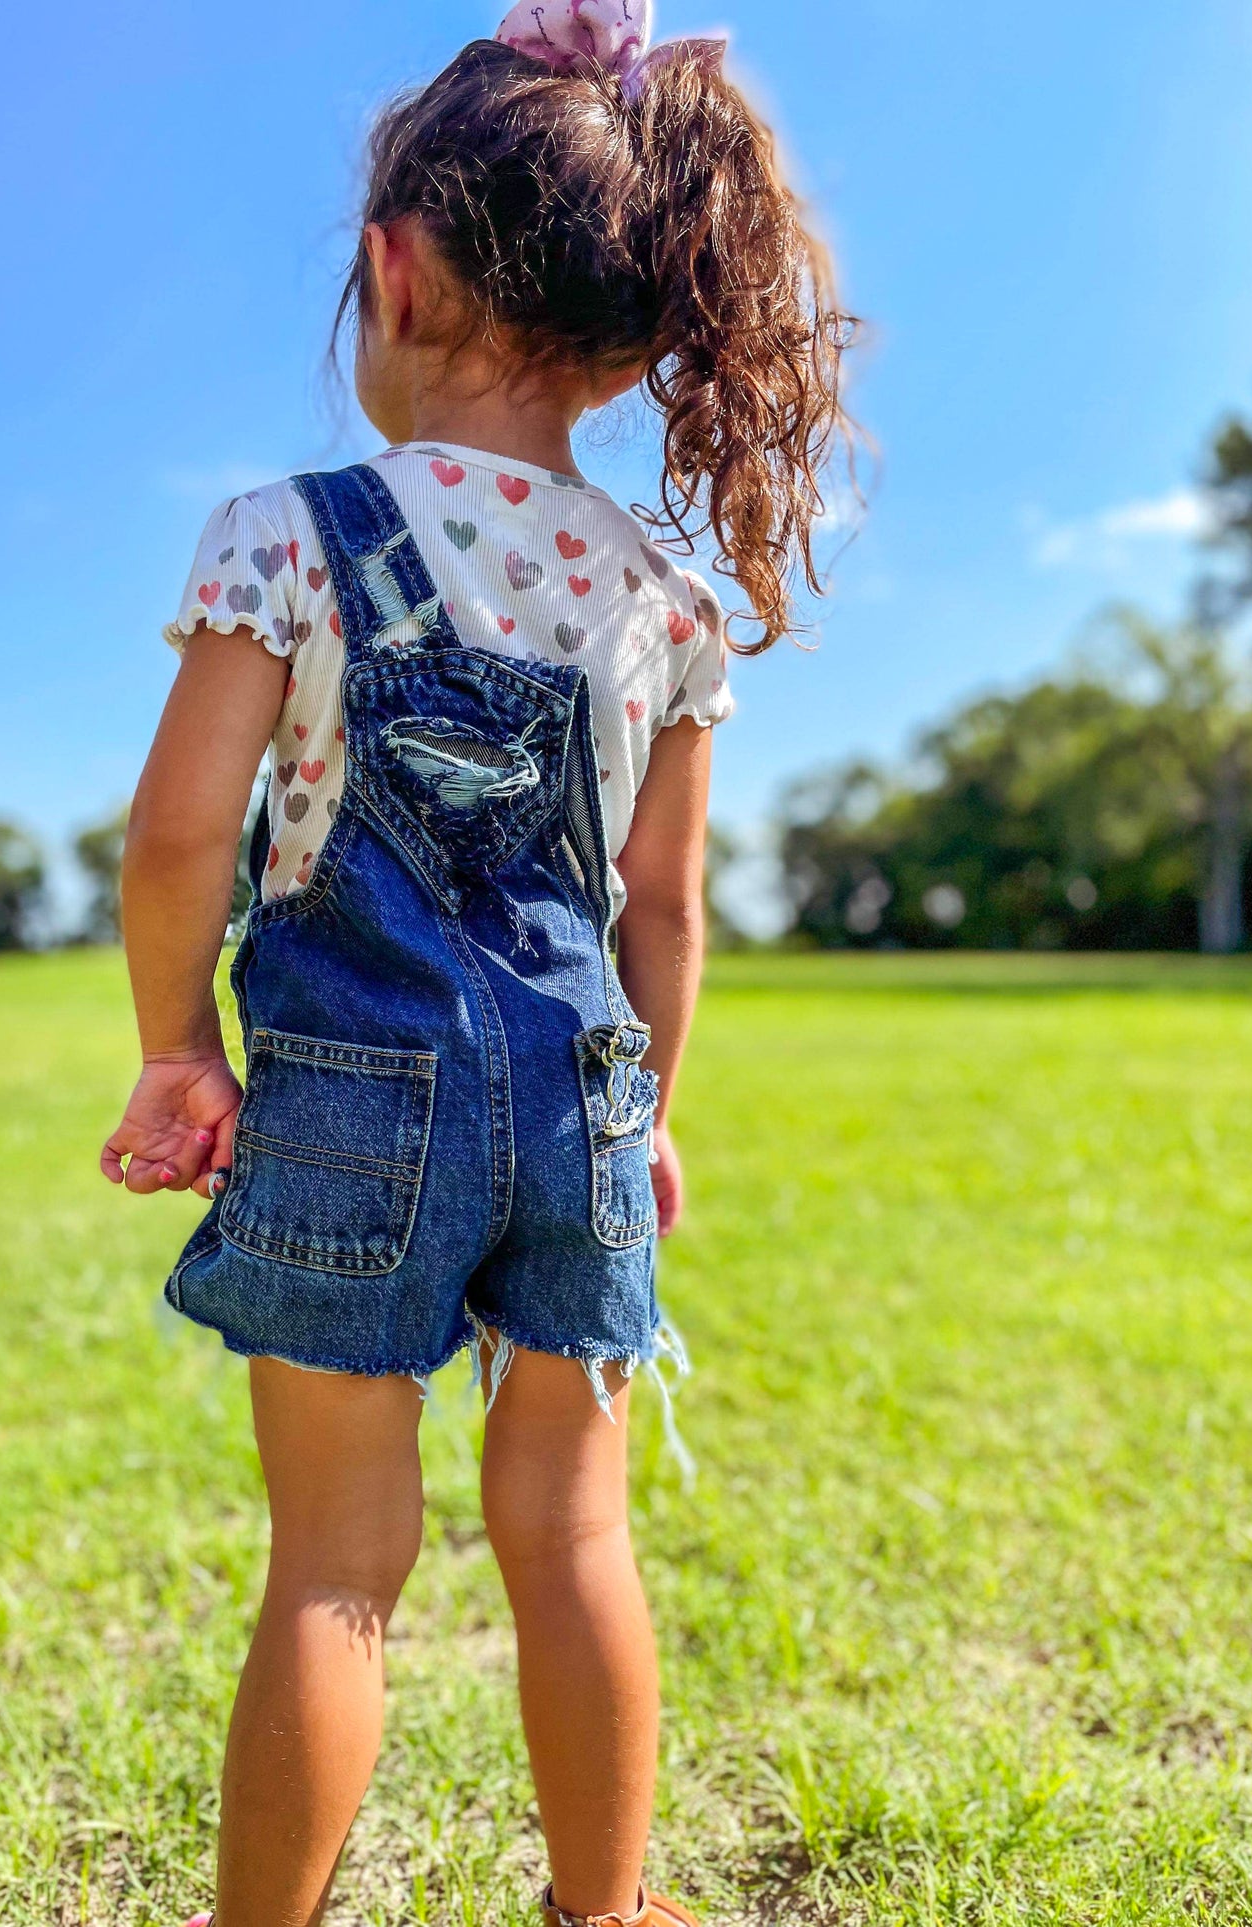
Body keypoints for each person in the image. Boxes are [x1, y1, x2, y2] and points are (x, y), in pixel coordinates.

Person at [100, 3, 848, 1921]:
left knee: (337, 1564)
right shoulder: (666, 603)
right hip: (581, 1101)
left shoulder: (290, 536)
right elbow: (659, 909)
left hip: (349, 1094)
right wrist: (647, 1116)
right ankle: (603, 1909)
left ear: (392, 268)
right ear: (633, 326)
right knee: (574, 1531)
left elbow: (182, 831)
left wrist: (179, 1045)